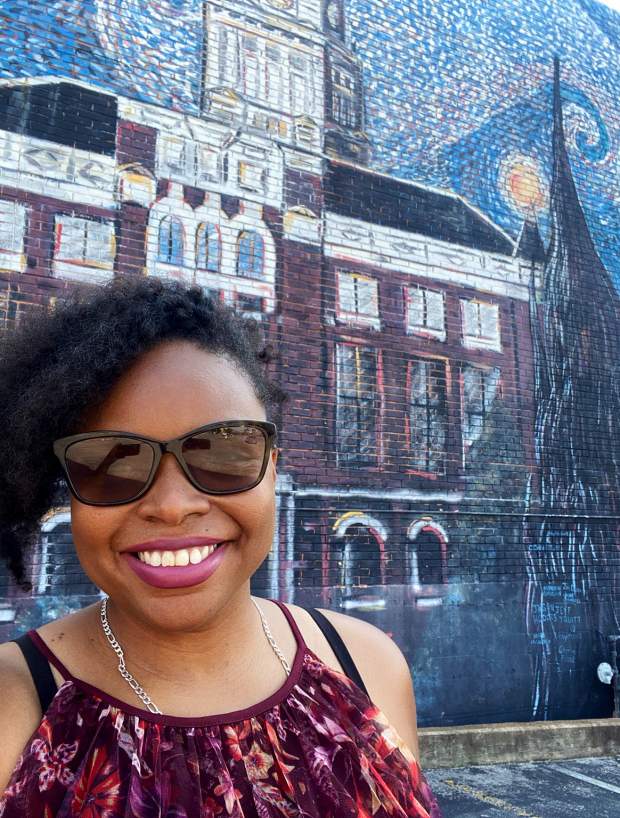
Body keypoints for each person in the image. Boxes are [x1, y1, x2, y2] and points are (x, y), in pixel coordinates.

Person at [0, 275, 441, 816]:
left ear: (272, 469)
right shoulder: (13, 707)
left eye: (222, 452)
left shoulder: (367, 667)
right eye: (112, 462)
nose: (171, 505)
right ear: (68, 486)